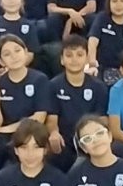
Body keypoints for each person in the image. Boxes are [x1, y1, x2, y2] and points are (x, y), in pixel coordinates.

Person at [0, 35, 50, 176]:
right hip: (6, 134)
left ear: (26, 52)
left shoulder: (40, 79)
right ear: (1, 61)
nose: (14, 56)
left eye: (17, 50)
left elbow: (39, 117)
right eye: (7, 54)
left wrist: (3, 129)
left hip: (31, 131)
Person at [46, 35, 108, 172]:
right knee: (55, 151)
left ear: (86, 58)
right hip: (65, 139)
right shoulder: (53, 85)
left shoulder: (98, 87)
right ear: (62, 60)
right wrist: (54, 132)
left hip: (91, 137)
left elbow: (103, 120)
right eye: (69, 55)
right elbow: (52, 119)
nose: (74, 59)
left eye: (79, 55)